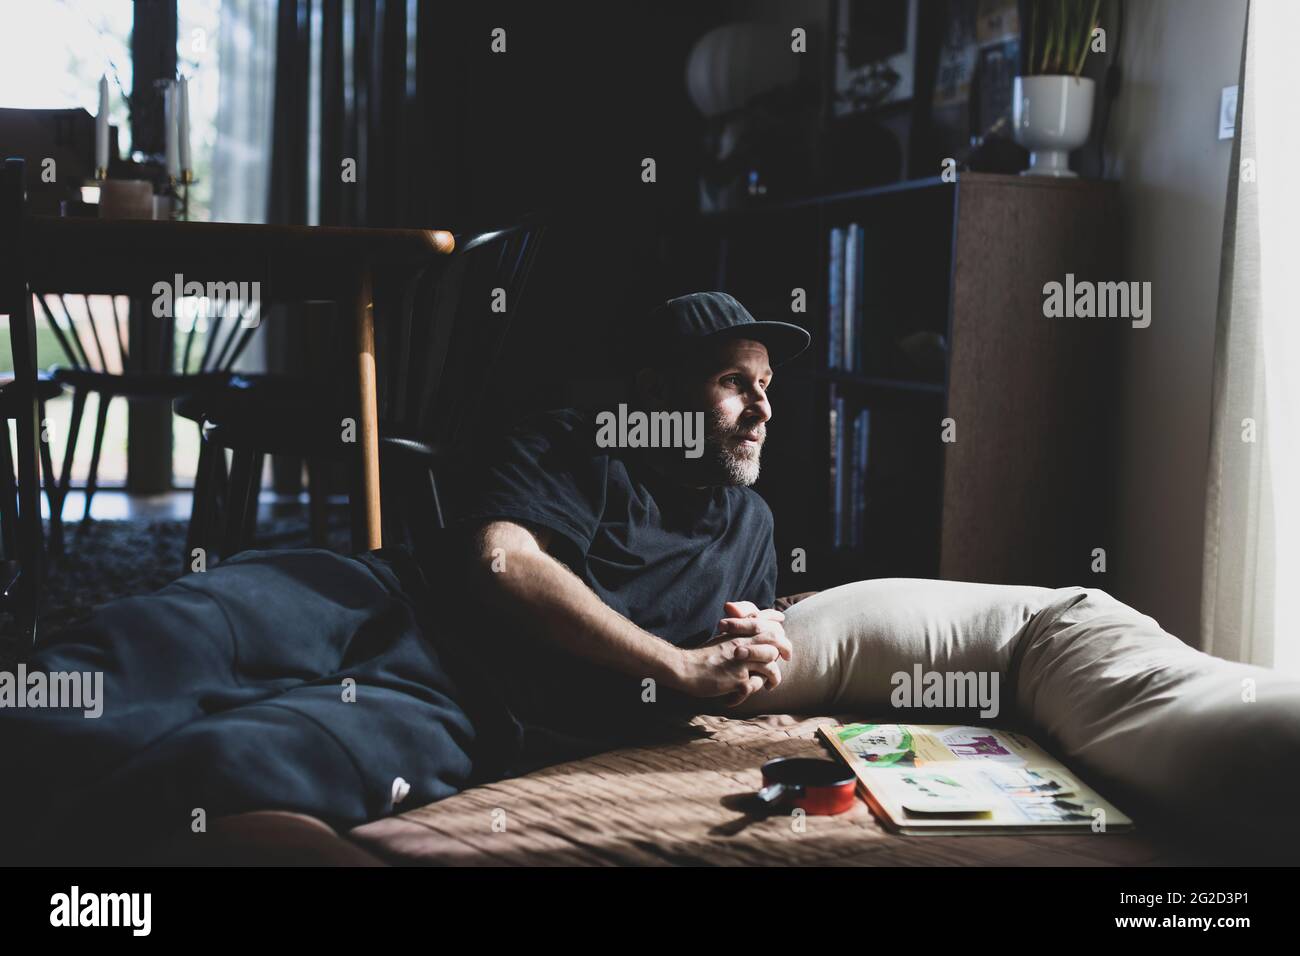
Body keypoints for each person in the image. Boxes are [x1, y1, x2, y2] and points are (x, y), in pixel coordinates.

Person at [0, 291, 813, 862]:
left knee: (224, 772)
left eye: (766, 386)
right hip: (375, 598)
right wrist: (674, 664)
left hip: (466, 707)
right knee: (138, 650)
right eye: (734, 382)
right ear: (655, 391)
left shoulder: (753, 527)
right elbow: (504, 564)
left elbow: (747, 641)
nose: (762, 408)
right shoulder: (574, 442)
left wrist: (754, 652)